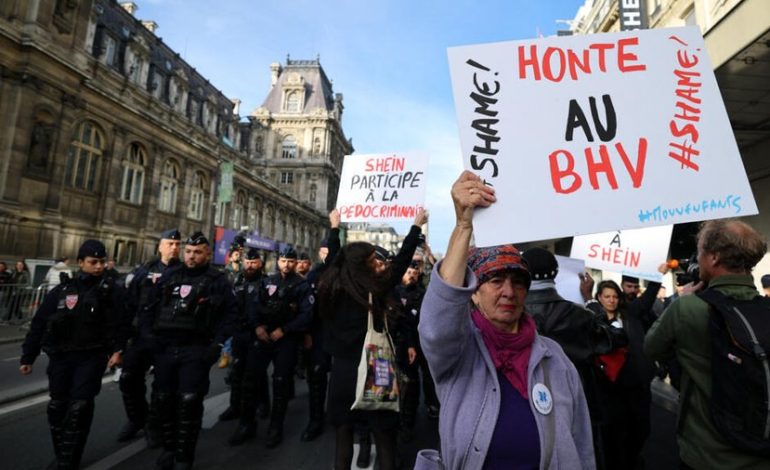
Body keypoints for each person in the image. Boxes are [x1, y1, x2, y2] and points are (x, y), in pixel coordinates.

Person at [415, 171, 594, 470]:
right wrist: (462, 226)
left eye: (518, 282)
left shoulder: (555, 357)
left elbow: (581, 440)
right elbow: (437, 324)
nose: (509, 292)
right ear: (472, 293)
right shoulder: (458, 353)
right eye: (496, 280)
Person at [645, 219, 770, 469]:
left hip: (707, 454)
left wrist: (681, 300)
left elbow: (652, 347)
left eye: (700, 251)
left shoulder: (688, 307)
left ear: (713, 258)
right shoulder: (765, 309)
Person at [318, 208, 428, 470]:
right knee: (385, 439)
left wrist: (334, 228)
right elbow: (400, 261)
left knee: (343, 440)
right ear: (363, 264)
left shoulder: (331, 286)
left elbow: (333, 259)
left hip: (342, 373)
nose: (376, 263)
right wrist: (415, 227)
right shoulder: (374, 288)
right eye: (371, 260)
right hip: (373, 370)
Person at [19, 240, 124, 469]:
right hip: (61, 357)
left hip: (91, 357)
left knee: (79, 407)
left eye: (102, 262)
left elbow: (121, 324)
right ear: (80, 262)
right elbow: (39, 323)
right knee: (57, 407)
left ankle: (68, 461)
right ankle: (63, 454)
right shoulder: (63, 290)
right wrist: (28, 356)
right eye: (93, 262)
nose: (98, 266)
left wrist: (118, 350)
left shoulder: (111, 291)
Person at [522, 247, 628, 470]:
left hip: (524, 400)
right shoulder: (580, 314)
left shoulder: (509, 314)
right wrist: (591, 301)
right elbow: (615, 338)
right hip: (578, 399)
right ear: (556, 273)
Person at [140, 232, 237, 470]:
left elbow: (230, 316)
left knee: (189, 403)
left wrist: (216, 345)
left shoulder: (218, 281)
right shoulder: (169, 277)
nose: (192, 256)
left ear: (207, 254)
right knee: (164, 401)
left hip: (196, 349)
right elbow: (147, 309)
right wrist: (150, 339)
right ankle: (169, 448)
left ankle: (184, 456)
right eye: (189, 252)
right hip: (165, 348)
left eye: (198, 252)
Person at [587, 270, 666, 470]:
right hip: (609, 388)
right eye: (607, 296)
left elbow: (648, 297)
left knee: (640, 428)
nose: (611, 300)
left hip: (636, 383)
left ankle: (634, 459)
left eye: (614, 296)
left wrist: (657, 275)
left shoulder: (631, 312)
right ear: (599, 298)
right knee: (613, 433)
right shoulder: (594, 320)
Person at [116, 228, 182, 444]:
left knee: (162, 387)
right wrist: (120, 343)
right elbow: (130, 304)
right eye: (170, 244)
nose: (174, 247)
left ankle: (154, 424)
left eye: (177, 244)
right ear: (160, 245)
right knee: (128, 379)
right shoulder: (144, 271)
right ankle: (137, 419)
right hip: (141, 336)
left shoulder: (183, 272)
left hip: (166, 338)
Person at [251, 246, 314, 448]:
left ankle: (275, 427)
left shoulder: (302, 286)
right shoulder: (268, 281)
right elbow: (254, 305)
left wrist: (286, 330)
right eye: (283, 261)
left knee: (280, 381)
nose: (287, 265)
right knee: (251, 377)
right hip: (264, 336)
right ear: (278, 261)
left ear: (296, 264)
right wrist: (257, 326)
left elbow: (306, 315)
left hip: (286, 339)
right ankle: (248, 421)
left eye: (291, 261)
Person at [300, 210, 341, 442]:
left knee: (340, 379)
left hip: (340, 333)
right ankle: (315, 419)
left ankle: (339, 417)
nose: (328, 256)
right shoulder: (313, 275)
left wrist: (335, 227)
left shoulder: (342, 273)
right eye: (324, 252)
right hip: (318, 332)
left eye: (331, 252)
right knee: (316, 378)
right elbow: (307, 307)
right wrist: (306, 333)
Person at [222, 248, 266, 446]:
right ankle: (234, 407)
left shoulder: (266, 283)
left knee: (252, 378)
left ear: (260, 264)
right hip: (239, 334)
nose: (250, 266)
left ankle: (249, 422)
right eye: (247, 263)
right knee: (236, 373)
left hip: (256, 335)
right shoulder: (237, 281)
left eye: (254, 262)